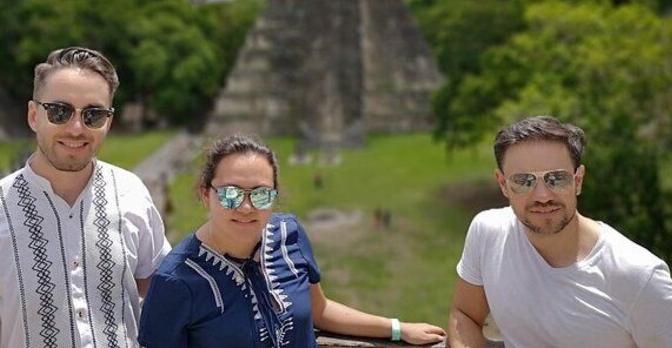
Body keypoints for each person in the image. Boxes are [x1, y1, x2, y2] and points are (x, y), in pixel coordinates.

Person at [0, 47, 171, 348]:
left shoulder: (132, 194)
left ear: (108, 121)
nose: (76, 128)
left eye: (93, 115)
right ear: (34, 115)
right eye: (60, 111)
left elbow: (171, 296)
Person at [139, 134, 446, 347]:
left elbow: (319, 310)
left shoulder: (289, 235)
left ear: (275, 196)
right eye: (230, 194)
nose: (246, 207)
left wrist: (396, 329)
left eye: (260, 194)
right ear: (206, 195)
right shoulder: (176, 281)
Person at [448, 115, 672, 348]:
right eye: (523, 181)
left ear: (577, 181)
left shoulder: (638, 275)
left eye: (556, 178)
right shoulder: (488, 233)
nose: (543, 196)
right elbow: (465, 315)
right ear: (503, 184)